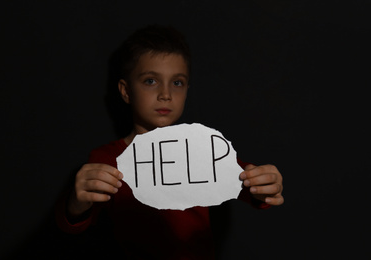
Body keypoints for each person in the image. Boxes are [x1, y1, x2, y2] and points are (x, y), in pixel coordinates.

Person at [55, 24, 284, 259]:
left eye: (177, 83)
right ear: (125, 91)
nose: (166, 94)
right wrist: (75, 201)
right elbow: (73, 222)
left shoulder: (205, 151)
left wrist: (265, 184)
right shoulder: (107, 159)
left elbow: (251, 185)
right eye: (150, 81)